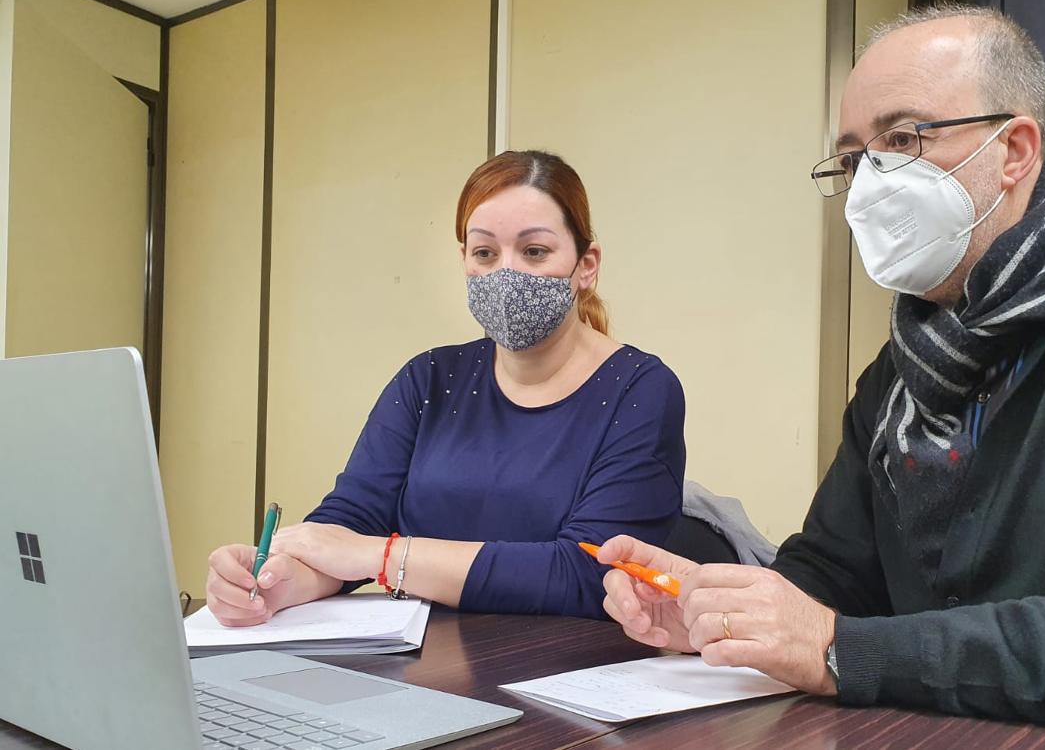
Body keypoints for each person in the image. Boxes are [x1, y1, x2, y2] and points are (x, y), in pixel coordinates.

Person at [595, 4, 1045, 734]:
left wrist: (843, 651)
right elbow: (836, 576)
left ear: (1015, 150)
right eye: (853, 158)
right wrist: (719, 613)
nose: (871, 180)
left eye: (904, 138)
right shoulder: (900, 370)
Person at [206, 150, 686, 625]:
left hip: (566, 681)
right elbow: (351, 522)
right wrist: (279, 581)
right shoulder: (429, 380)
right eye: (485, 252)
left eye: (534, 251)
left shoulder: (642, 391)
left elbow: (591, 573)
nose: (506, 273)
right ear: (465, 261)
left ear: (586, 264)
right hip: (417, 668)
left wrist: (385, 557)